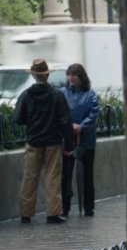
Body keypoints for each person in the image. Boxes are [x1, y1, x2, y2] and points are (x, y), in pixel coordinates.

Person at [14, 59, 76, 224]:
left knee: (29, 177)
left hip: (33, 141)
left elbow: (18, 118)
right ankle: (53, 214)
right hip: (52, 142)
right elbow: (65, 121)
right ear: (47, 75)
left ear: (34, 76)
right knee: (52, 177)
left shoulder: (26, 95)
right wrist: (70, 144)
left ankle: (25, 214)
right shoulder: (56, 95)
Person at [61, 63, 100, 217]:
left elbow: (94, 114)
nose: (70, 78)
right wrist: (69, 126)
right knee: (66, 175)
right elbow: (59, 113)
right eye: (69, 74)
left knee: (87, 175)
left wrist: (81, 126)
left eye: (74, 75)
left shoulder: (90, 95)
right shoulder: (62, 93)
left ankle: (88, 207)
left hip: (86, 141)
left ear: (81, 77)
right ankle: (65, 207)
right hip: (67, 140)